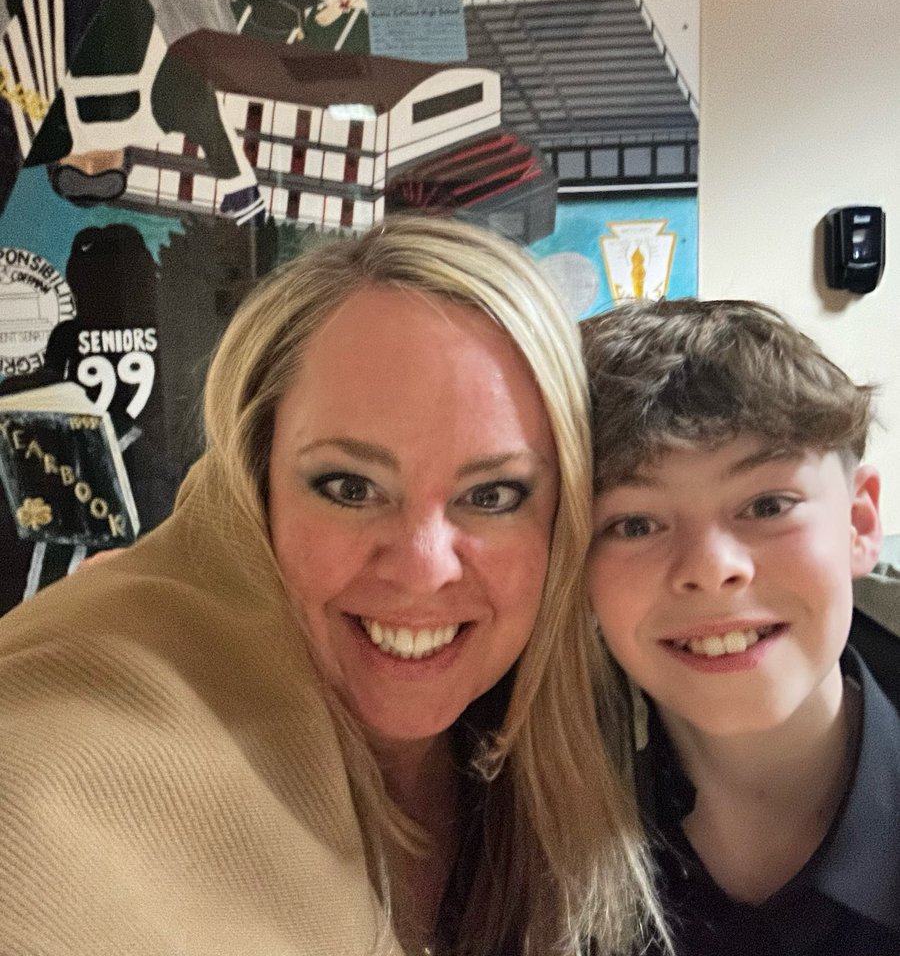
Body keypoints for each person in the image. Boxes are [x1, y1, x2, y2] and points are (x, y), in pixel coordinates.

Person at [0, 216, 663, 956]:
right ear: (255, 487)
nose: (422, 569)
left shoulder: (626, 746)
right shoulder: (91, 732)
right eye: (350, 487)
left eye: (493, 496)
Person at [581, 298, 900, 956]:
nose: (710, 569)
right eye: (635, 523)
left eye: (768, 504)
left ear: (860, 524)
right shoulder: (518, 837)